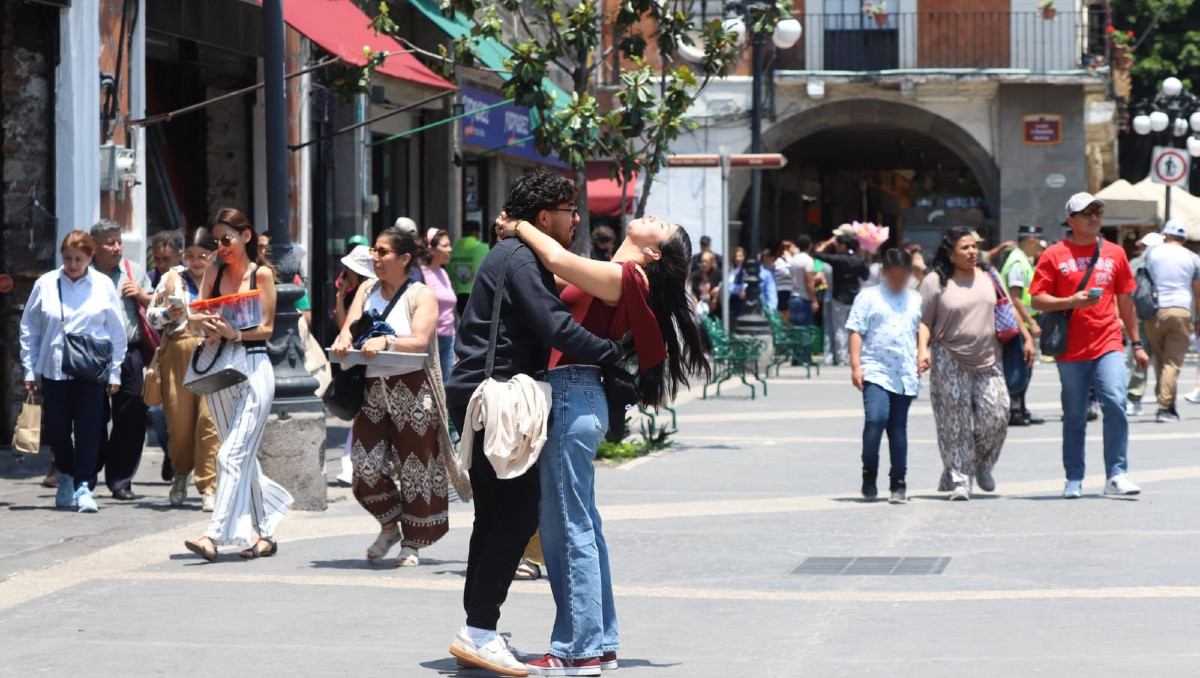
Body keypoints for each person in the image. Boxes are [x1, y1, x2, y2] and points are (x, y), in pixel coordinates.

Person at [495, 210, 708, 676]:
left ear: (654, 252)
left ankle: (579, 649)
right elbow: (550, 272)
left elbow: (555, 259)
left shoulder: (625, 276)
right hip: (576, 395)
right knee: (582, 526)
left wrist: (519, 226)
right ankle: (601, 643)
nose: (655, 216)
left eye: (663, 226)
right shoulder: (614, 271)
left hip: (571, 393)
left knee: (567, 529)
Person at [445, 168, 622, 677]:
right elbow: (555, 325)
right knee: (517, 516)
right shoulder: (520, 258)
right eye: (570, 212)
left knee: (495, 516)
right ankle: (479, 631)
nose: (576, 220)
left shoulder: (515, 254)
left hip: (482, 394)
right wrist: (613, 352)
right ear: (545, 217)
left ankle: (479, 629)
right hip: (497, 397)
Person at [332, 227, 468, 567]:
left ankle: (412, 543)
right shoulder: (366, 289)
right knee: (364, 464)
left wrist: (387, 341)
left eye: (382, 252)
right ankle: (391, 523)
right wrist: (344, 339)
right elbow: (349, 326)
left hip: (413, 389)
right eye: (374, 251)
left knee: (417, 468)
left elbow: (420, 340)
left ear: (404, 258)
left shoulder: (421, 294)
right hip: (372, 389)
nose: (375, 258)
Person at [183, 208, 293, 561]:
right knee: (241, 456)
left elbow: (267, 329)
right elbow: (197, 315)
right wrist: (202, 321)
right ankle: (266, 533)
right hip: (218, 368)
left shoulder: (262, 275)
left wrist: (235, 333)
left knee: (229, 454)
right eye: (217, 240)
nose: (221, 246)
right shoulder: (213, 271)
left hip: (254, 365)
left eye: (227, 239)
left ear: (246, 236)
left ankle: (212, 536)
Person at [1030, 193, 1147, 499]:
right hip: (1070, 348)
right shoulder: (1054, 254)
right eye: (1086, 213)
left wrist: (1137, 344)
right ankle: (1074, 477)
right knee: (1074, 414)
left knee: (1116, 403)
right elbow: (1037, 299)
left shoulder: (1115, 253)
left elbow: (1126, 301)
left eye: (1098, 212)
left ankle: (1116, 474)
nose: (1094, 218)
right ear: (1071, 220)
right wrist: (1070, 301)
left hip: (1108, 340)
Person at [918, 227, 1030, 500]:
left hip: (989, 358)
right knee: (953, 423)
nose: (972, 252)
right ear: (950, 254)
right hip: (948, 358)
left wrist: (1027, 335)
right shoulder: (935, 281)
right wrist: (922, 350)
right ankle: (960, 479)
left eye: (974, 247)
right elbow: (924, 321)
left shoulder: (990, 275)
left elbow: (1007, 306)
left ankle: (982, 463)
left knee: (998, 414)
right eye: (965, 248)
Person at [20, 231, 126, 512]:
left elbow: (116, 331)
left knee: (88, 430)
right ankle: (66, 473)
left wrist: (114, 372)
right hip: (54, 368)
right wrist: (30, 370)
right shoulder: (46, 284)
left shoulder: (102, 285)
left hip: (90, 369)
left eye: (79, 259)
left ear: (90, 257)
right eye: (68, 258)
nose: (73, 265)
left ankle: (84, 485)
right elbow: (29, 328)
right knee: (57, 429)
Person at [147, 227, 222, 510]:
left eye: (203, 255)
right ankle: (180, 474)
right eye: (191, 255)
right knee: (178, 425)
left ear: (213, 255)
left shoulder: (222, 279)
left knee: (209, 422)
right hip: (178, 356)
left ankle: (209, 486)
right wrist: (168, 314)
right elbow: (152, 316)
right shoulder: (172, 278)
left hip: (213, 353)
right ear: (182, 255)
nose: (197, 261)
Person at [847, 248, 922, 505]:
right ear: (883, 272)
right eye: (894, 276)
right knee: (876, 419)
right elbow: (856, 330)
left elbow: (922, 328)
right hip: (875, 368)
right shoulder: (868, 297)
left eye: (904, 276)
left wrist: (923, 351)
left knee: (898, 427)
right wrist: (855, 366)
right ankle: (869, 472)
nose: (899, 281)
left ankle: (898, 481)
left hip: (905, 370)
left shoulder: (915, 299)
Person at [90, 219, 153, 501]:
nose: (117, 248)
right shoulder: (84, 273)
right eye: (110, 243)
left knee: (132, 415)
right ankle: (89, 470)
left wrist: (141, 294)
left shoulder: (133, 271)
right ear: (94, 246)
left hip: (130, 353)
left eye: (119, 242)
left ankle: (121, 480)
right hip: (93, 353)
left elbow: (159, 308)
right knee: (93, 415)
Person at [1142, 219, 1200, 423]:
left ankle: (1169, 405)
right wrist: (1198, 319)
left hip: (1153, 311)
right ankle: (1165, 408)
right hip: (1180, 310)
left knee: (1161, 361)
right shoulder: (1193, 257)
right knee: (1172, 362)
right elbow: (1198, 293)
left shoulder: (1151, 253)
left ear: (1165, 235)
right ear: (1184, 238)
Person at [332, 243, 375, 486]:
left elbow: (344, 327)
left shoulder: (369, 294)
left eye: (349, 268)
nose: (345, 272)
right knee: (362, 415)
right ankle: (350, 466)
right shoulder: (353, 294)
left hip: (365, 359)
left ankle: (351, 466)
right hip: (356, 360)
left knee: (364, 415)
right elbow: (343, 326)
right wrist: (340, 296)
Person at [999, 225, 1046, 426]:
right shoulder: (1017, 262)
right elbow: (1015, 298)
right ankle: (1014, 411)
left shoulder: (1022, 259)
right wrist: (1031, 322)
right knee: (1018, 366)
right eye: (1039, 243)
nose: (1040, 247)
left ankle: (1021, 408)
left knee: (1025, 366)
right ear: (1032, 241)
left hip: (1022, 321)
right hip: (1017, 323)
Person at [147, 229, 184, 482]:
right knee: (158, 411)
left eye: (166, 260)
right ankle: (170, 453)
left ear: (180, 256)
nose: (161, 265)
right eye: (157, 259)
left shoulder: (188, 280)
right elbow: (151, 316)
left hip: (190, 356)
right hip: (159, 356)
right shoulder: (152, 279)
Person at [815, 233, 869, 366]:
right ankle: (856, 355)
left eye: (837, 245)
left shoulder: (838, 259)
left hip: (839, 297)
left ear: (843, 246)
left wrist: (826, 244)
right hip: (855, 297)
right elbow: (865, 276)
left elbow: (817, 254)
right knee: (856, 328)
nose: (836, 247)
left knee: (839, 328)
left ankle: (842, 357)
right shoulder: (859, 259)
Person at [1126, 232, 1161, 416]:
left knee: (1140, 358)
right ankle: (1164, 400)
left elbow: (1127, 292)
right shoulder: (1167, 262)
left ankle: (1135, 399)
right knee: (1163, 360)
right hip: (1162, 315)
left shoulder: (1135, 263)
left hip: (1141, 315)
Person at [421, 228, 459, 383]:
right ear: (431, 249)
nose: (450, 249)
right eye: (445, 245)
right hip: (430, 339)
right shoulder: (419, 273)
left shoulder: (443, 273)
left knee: (448, 385)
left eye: (449, 245)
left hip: (448, 338)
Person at [451, 220, 490, 316]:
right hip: (479, 296)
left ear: (463, 232)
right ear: (478, 234)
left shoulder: (451, 250)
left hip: (457, 296)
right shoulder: (486, 248)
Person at [788, 235, 818, 327]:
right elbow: (809, 283)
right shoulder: (808, 260)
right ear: (810, 245)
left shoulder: (793, 260)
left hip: (793, 297)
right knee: (804, 331)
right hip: (804, 300)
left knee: (794, 330)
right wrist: (814, 301)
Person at [689, 251, 721, 318]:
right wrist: (694, 297)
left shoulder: (717, 273)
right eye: (702, 261)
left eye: (706, 262)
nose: (704, 264)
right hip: (700, 308)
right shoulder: (697, 274)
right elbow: (693, 289)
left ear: (711, 263)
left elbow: (723, 284)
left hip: (714, 309)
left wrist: (718, 290)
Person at [774, 241, 794, 322]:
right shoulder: (779, 261)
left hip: (792, 291)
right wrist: (789, 260)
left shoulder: (792, 260)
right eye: (792, 247)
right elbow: (785, 273)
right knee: (784, 313)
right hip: (783, 290)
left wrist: (789, 260)